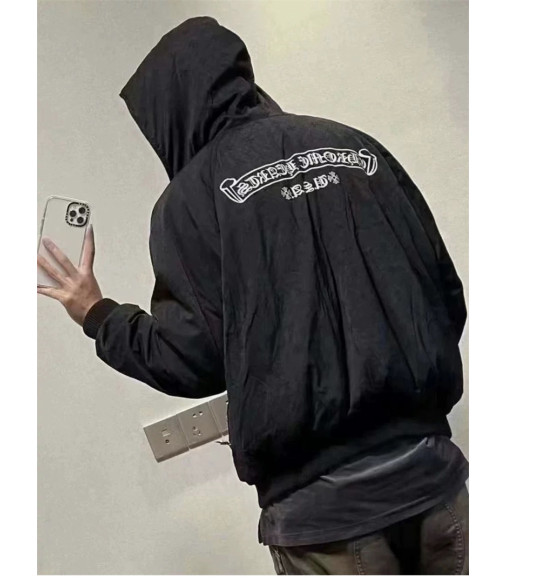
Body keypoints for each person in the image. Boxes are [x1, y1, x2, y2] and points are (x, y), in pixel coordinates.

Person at [37, 16, 469, 575]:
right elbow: (443, 293)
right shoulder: (355, 144)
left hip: (326, 520)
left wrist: (96, 313)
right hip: (437, 484)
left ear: (171, 111)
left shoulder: (187, 203)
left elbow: (189, 359)